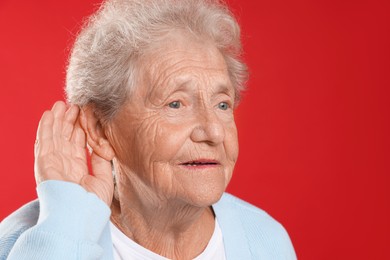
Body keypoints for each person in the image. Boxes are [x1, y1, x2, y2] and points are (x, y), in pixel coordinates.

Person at [0, 0, 296, 259]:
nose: (214, 133)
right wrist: (66, 225)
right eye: (176, 104)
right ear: (100, 129)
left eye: (222, 104)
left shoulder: (266, 241)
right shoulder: (29, 240)